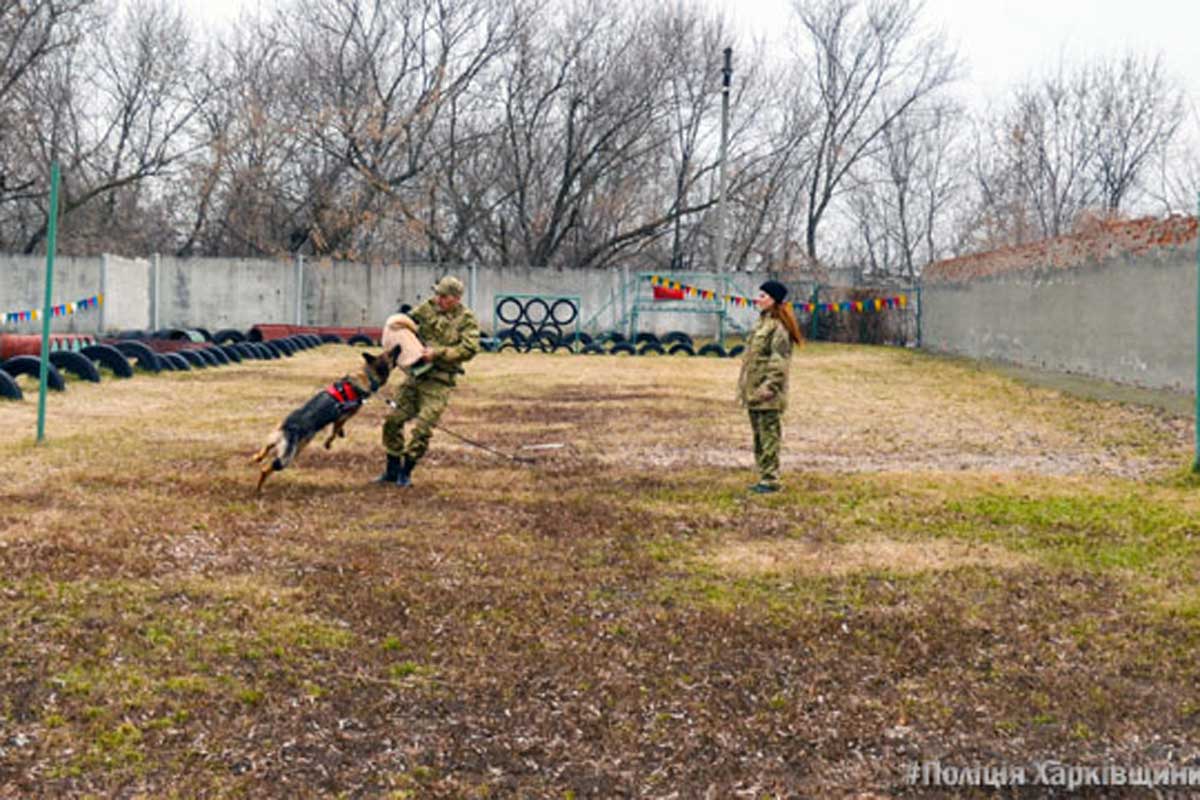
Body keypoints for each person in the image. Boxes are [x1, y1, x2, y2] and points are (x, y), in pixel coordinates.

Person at [377, 276, 480, 487]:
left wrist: (438, 353)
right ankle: (392, 470)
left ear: (456, 299)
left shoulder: (467, 320)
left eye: (443, 296)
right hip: (416, 376)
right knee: (392, 420)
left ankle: (406, 472)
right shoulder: (428, 308)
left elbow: (469, 349)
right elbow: (408, 322)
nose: (438, 299)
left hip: (439, 381)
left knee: (423, 428)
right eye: (437, 294)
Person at [736, 279, 804, 494]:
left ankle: (771, 479)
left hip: (767, 393)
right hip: (754, 391)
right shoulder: (762, 323)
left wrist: (769, 387)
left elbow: (779, 362)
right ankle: (764, 475)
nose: (758, 299)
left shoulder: (779, 328)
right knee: (759, 436)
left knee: (769, 436)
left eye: (763, 296)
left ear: (773, 300)